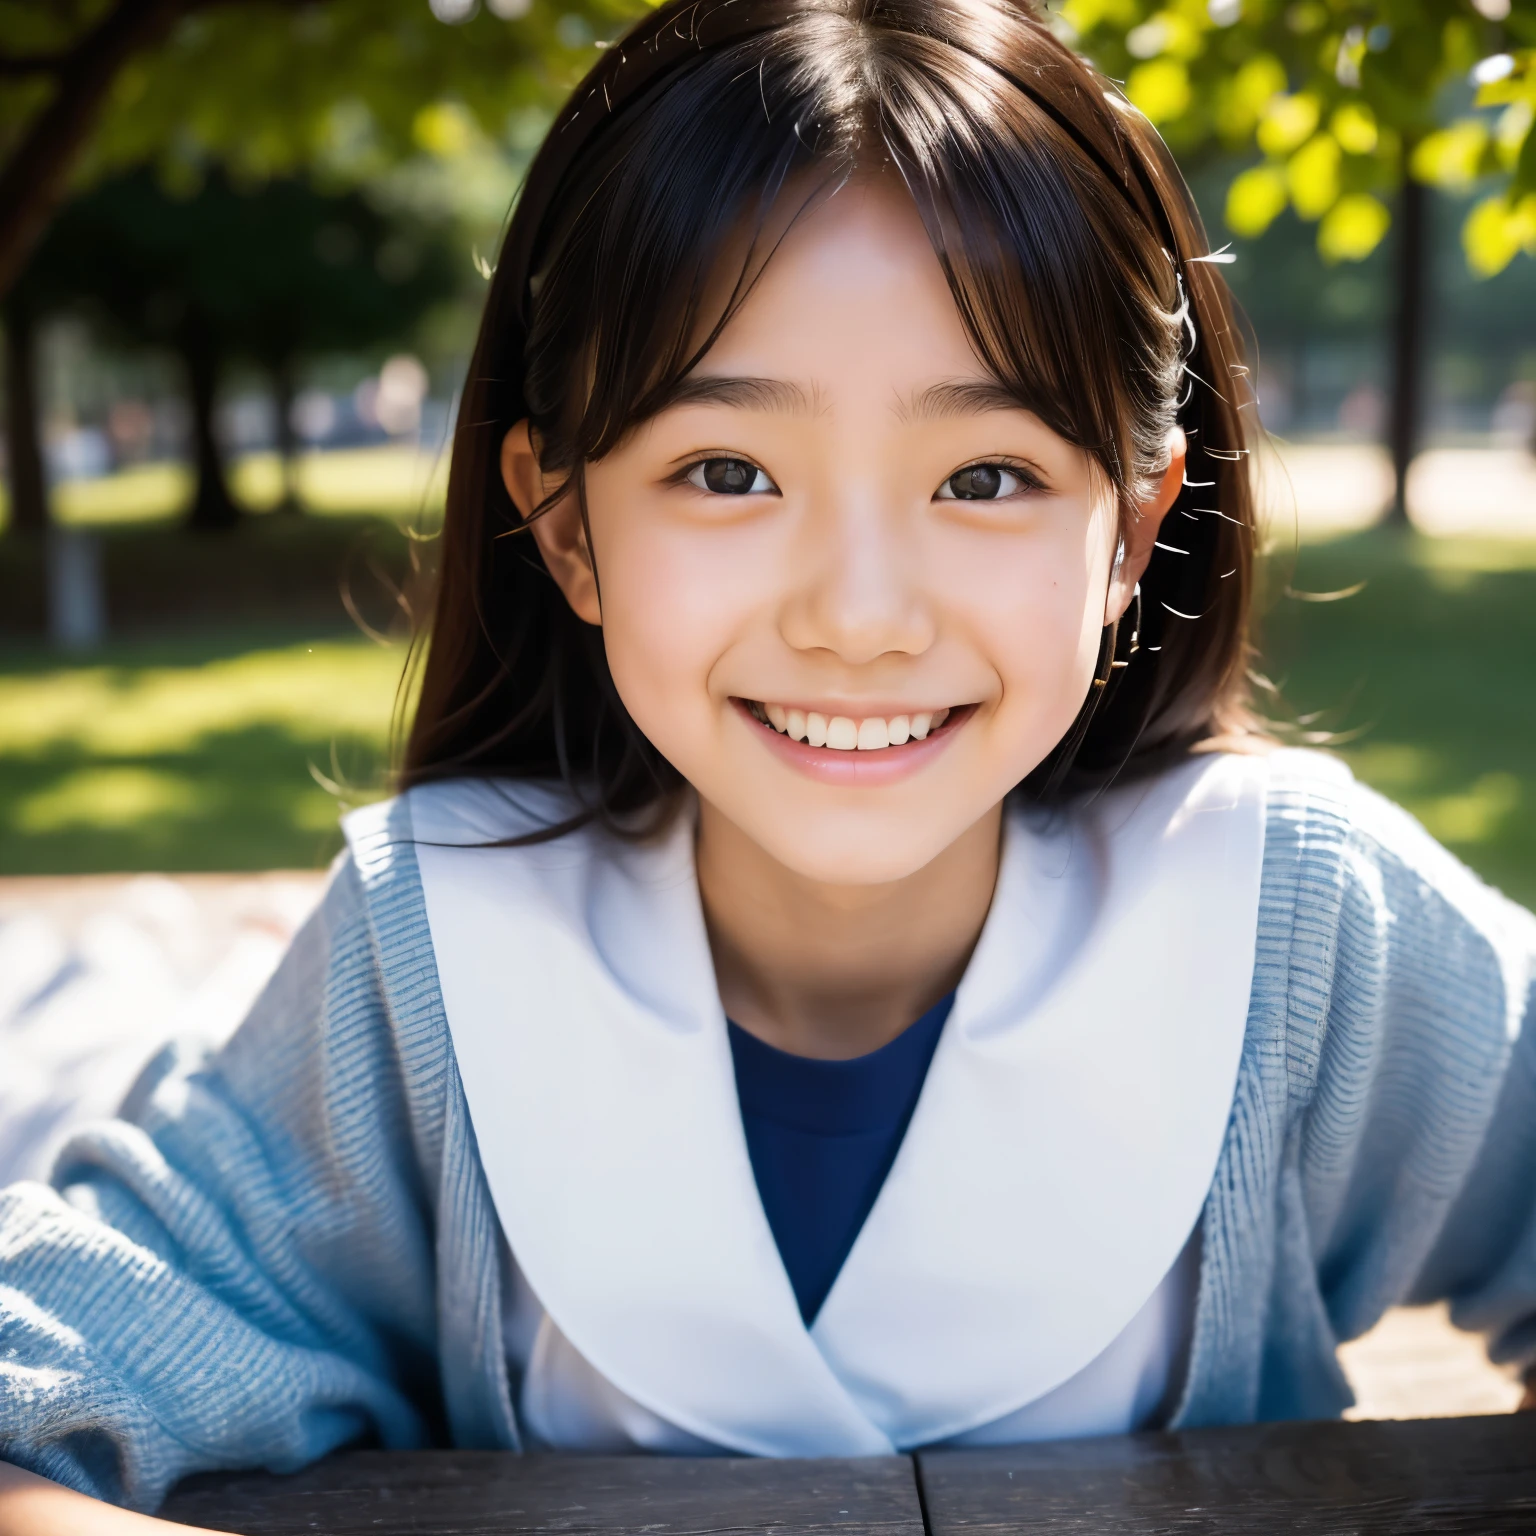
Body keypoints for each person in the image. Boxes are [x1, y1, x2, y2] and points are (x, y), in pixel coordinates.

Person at [3, 0, 1534, 1527]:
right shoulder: (430, 960)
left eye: (986, 476)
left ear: (1133, 527)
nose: (857, 617)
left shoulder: (1297, 928)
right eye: (725, 472)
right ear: (566, 522)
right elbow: (42, 1389)